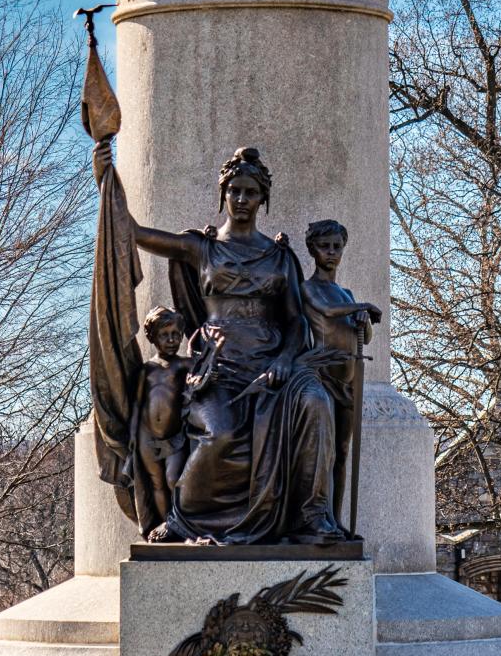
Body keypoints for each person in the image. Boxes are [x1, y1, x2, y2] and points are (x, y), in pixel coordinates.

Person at [128, 147, 344, 544]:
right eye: (235, 191)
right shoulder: (201, 247)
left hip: (274, 365)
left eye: (251, 192)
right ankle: (185, 517)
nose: (242, 200)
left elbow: (295, 322)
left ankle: (312, 514)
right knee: (221, 433)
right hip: (219, 369)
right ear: (223, 194)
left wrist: (283, 359)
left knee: (316, 402)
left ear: (263, 200)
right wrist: (107, 174)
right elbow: (138, 234)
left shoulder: (280, 258)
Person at [301, 220, 381, 527]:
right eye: (325, 246)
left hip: (351, 379)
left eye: (337, 246)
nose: (331, 252)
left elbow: (367, 337)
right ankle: (322, 516)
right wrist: (362, 306)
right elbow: (327, 311)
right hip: (324, 377)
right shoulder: (310, 288)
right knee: (327, 452)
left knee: (343, 451)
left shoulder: (345, 293)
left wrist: (363, 319)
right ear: (313, 250)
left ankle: (337, 520)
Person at [129, 307, 189, 536]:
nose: (172, 340)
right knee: (156, 483)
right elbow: (137, 403)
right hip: (147, 436)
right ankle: (166, 524)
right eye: (165, 335)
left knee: (174, 479)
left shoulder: (184, 365)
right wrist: (134, 435)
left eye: (176, 334)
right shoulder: (147, 370)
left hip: (175, 436)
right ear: (152, 337)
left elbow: (203, 374)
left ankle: (179, 522)